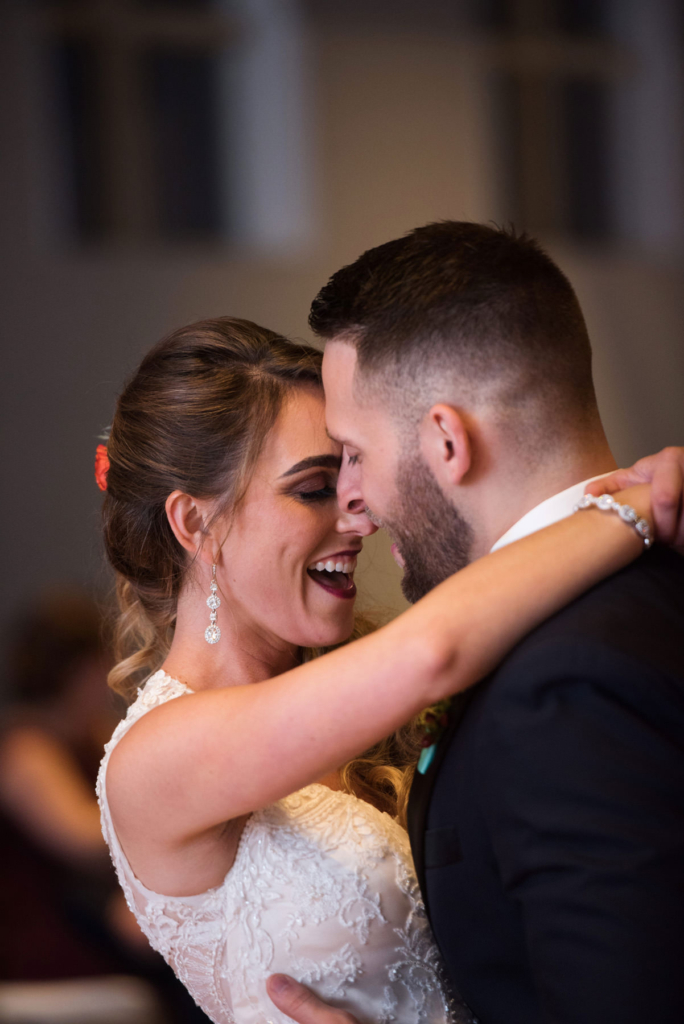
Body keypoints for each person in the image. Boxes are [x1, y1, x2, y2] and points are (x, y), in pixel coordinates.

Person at [96, 315, 682, 1024]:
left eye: (351, 469)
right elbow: (434, 649)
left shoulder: (368, 703)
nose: (360, 515)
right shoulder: (153, 759)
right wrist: (638, 503)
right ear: (194, 523)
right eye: (314, 488)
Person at [262, 222, 684, 1024]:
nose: (351, 500)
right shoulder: (641, 586)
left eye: (353, 451)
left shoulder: (569, 679)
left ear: (447, 442)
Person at [0, 590, 210, 1022]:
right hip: (55, 940)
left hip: (95, 917)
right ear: (74, 671)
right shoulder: (26, 747)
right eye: (102, 661)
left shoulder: (89, 732)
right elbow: (87, 839)